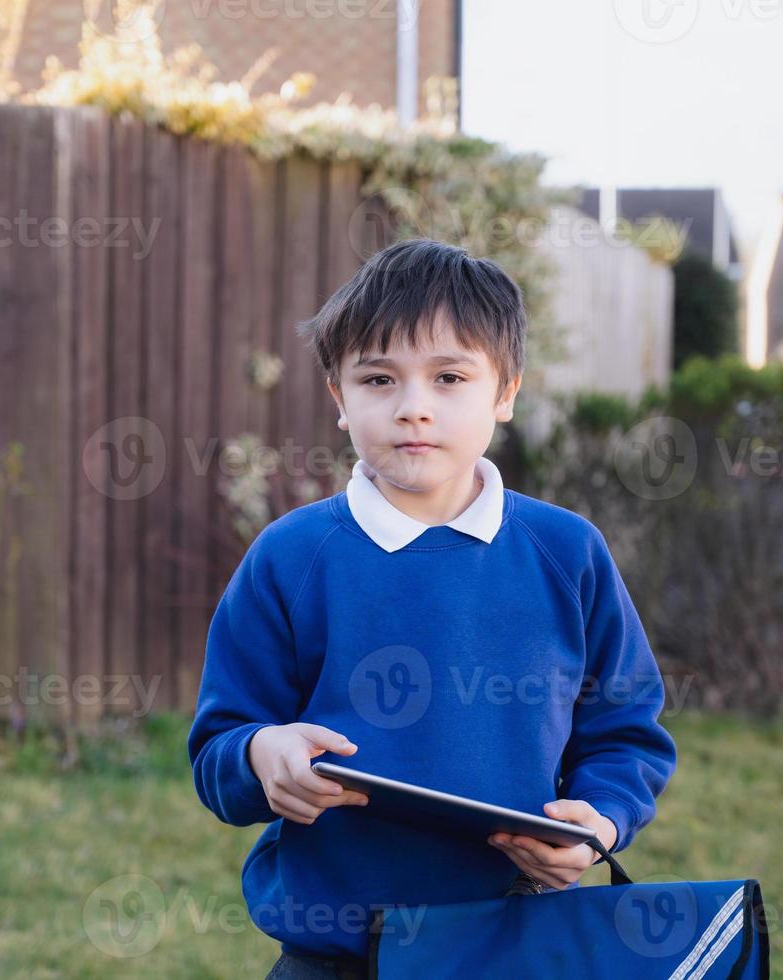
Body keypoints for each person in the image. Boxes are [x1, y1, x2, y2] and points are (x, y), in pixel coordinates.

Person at [187, 238, 678, 979]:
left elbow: (625, 733)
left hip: (517, 946)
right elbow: (220, 745)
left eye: (450, 377)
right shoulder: (291, 558)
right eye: (379, 379)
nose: (414, 408)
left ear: (505, 391)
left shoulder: (566, 552)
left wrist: (600, 822)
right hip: (338, 956)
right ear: (340, 400)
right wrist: (262, 756)